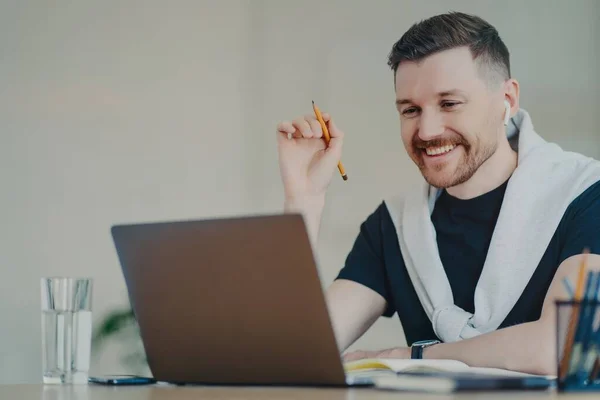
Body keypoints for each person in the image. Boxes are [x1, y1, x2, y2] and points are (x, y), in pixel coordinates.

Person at [275, 11, 600, 376]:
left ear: (507, 99)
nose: (427, 131)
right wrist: (304, 200)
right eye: (410, 110)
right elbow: (292, 354)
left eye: (449, 104)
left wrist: (411, 357)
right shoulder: (393, 227)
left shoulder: (586, 197)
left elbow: (567, 345)